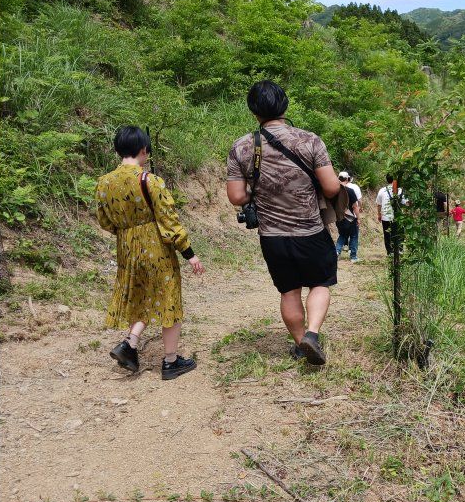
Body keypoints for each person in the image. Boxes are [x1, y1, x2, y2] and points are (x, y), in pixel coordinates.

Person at [226, 80, 340, 365]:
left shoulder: (241, 147)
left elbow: (236, 196)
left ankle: (301, 343)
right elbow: (331, 187)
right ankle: (312, 335)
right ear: (285, 105)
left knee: (289, 291)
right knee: (320, 283)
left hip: (273, 236)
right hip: (310, 230)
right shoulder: (309, 140)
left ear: (254, 111)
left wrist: (261, 188)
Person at [96, 126, 204, 380]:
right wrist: (189, 253)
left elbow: (104, 221)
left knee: (142, 295)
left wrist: (127, 233)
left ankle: (130, 344)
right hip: (155, 247)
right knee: (168, 299)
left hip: (126, 247)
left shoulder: (104, 182)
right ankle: (170, 361)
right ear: (144, 150)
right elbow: (169, 221)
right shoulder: (149, 180)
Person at [376, 174, 404, 256]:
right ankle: (400, 249)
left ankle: (390, 251)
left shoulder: (382, 190)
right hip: (398, 216)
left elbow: (379, 204)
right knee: (400, 233)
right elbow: (405, 202)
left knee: (387, 234)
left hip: (385, 216)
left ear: (387, 180)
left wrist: (379, 214)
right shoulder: (400, 190)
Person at [335, 172, 361, 262]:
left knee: (342, 234)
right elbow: (355, 206)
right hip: (349, 216)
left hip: (338, 217)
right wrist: (358, 218)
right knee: (354, 235)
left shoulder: (334, 191)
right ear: (347, 179)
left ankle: (336, 252)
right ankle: (353, 257)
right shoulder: (350, 191)